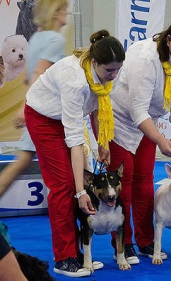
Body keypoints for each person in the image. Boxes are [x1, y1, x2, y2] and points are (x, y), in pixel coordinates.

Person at [24, 30, 125, 277]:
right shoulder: (75, 82)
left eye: (117, 70)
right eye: (109, 71)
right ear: (94, 63)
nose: (114, 76)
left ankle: (77, 252)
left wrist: (104, 142)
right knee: (63, 187)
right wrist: (81, 191)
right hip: (43, 118)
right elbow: (75, 142)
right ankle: (64, 258)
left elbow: (94, 109)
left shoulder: (100, 76)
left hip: (63, 117)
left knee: (72, 184)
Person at [108, 17, 171, 263]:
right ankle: (123, 243)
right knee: (123, 184)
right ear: (168, 40)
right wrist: (161, 140)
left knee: (144, 183)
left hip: (146, 123)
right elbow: (138, 109)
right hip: (120, 119)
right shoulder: (145, 60)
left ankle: (147, 241)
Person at [0, 0, 68, 198]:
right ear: (56, 13)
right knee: (21, 164)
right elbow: (39, 73)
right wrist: (25, 107)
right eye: (64, 9)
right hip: (45, 113)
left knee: (21, 162)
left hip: (39, 111)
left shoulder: (37, 38)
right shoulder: (56, 40)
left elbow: (30, 76)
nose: (67, 13)